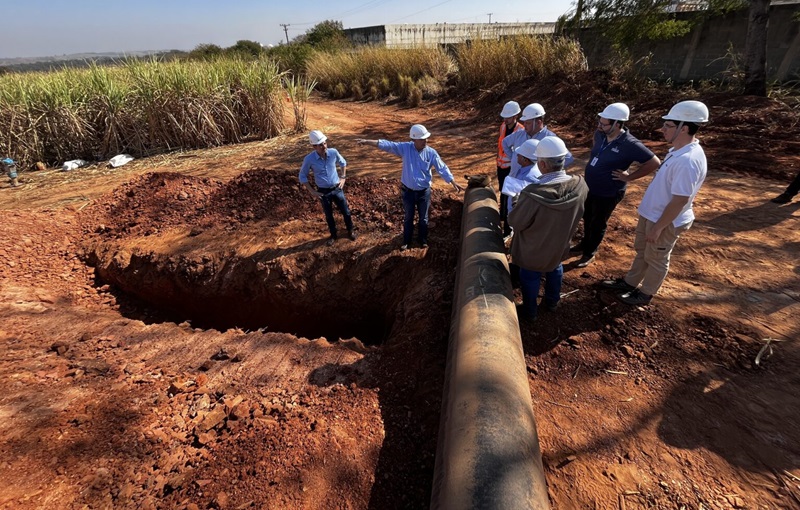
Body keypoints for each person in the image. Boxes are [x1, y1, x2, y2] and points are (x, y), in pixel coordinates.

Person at [601, 100, 709, 306]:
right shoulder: (678, 151)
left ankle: (645, 293)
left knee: (657, 258)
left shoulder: (688, 160)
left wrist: (659, 227)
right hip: (653, 214)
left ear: (684, 128)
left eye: (668, 126)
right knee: (643, 252)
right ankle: (630, 283)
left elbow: (680, 199)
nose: (663, 129)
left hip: (664, 220)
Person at [571, 103, 661, 268]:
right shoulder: (600, 134)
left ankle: (590, 252)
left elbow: (654, 162)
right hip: (590, 187)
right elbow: (596, 147)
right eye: (599, 122)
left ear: (617, 124)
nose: (599, 126)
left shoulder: (630, 144)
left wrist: (630, 177)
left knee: (598, 222)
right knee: (587, 217)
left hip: (608, 191)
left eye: (604, 124)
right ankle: (584, 244)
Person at [508, 136, 588, 322]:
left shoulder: (532, 195)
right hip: (560, 246)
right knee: (555, 268)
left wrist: (516, 202)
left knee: (530, 277)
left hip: (533, 251)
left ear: (542, 164)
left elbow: (516, 222)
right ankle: (552, 302)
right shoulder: (581, 185)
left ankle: (530, 312)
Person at [357, 124, 463, 250]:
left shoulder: (431, 153)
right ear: (414, 139)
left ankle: (422, 240)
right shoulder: (405, 148)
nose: (425, 141)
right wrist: (367, 142)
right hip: (408, 192)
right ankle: (406, 241)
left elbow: (442, 167)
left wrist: (452, 181)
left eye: (426, 138)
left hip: (424, 192)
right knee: (408, 217)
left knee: (424, 219)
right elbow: (388, 145)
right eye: (422, 139)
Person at [502, 103, 574, 237]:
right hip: (516, 180)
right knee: (511, 208)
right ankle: (509, 232)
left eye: (528, 123)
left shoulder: (550, 139)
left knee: (527, 215)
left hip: (534, 186)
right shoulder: (520, 134)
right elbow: (505, 142)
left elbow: (568, 158)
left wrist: (547, 171)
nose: (525, 126)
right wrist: (513, 159)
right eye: (525, 122)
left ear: (539, 122)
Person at [298, 130, 356, 246]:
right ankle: (333, 235)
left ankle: (350, 230)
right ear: (314, 146)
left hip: (337, 188)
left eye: (325, 143)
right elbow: (302, 176)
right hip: (323, 192)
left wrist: (343, 177)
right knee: (329, 216)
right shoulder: (309, 159)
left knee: (346, 211)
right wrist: (312, 191)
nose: (324, 146)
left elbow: (343, 163)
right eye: (320, 145)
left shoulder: (333, 152)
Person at [496, 101, 524, 236]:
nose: (505, 119)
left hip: (511, 169)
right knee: (502, 193)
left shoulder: (521, 131)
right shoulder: (503, 126)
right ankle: (502, 218)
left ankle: (508, 230)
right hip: (501, 167)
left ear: (515, 116)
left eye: (508, 117)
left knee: (510, 197)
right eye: (504, 117)